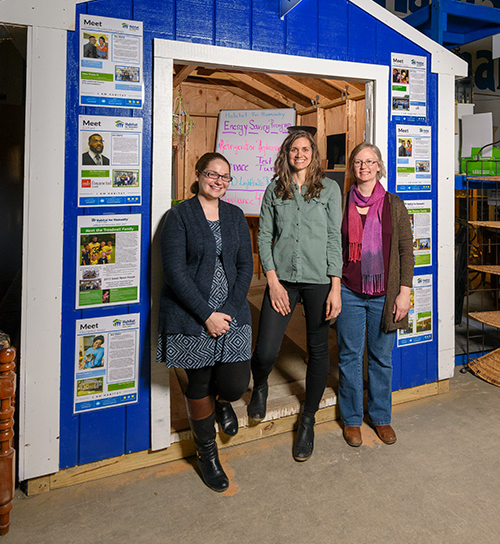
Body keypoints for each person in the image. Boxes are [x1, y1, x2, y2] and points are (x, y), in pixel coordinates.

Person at [157, 152, 253, 492]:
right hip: (191, 314)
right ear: (198, 175)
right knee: (199, 383)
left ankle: (222, 403)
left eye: (225, 176)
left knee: (235, 384)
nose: (218, 181)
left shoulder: (235, 215)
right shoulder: (178, 216)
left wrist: (227, 308)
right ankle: (207, 455)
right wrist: (207, 315)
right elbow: (175, 272)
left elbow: (245, 266)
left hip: (231, 310)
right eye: (212, 174)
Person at [249, 129, 342, 462]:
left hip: (319, 281)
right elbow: (264, 238)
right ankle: (259, 386)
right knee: (264, 350)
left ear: (313, 154)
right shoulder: (275, 189)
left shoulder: (330, 189)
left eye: (305, 149)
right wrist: (272, 282)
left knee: (319, 352)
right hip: (283, 280)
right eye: (293, 149)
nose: (299, 154)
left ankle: (308, 420)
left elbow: (334, 238)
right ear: (286, 154)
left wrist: (335, 286)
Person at [337, 142, 414, 448]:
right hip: (349, 291)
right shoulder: (342, 203)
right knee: (349, 357)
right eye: (358, 162)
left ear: (380, 166)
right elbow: (333, 247)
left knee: (381, 359)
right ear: (352, 168)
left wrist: (404, 293)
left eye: (370, 161)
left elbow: (407, 251)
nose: (364, 166)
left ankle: (381, 418)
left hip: (385, 294)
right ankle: (352, 420)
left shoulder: (394, 204)